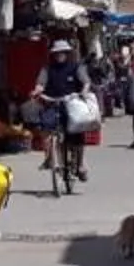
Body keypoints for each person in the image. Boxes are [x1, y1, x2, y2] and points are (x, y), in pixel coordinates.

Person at [33, 39, 92, 181]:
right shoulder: (47, 69)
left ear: (67, 53)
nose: (59, 55)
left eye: (62, 52)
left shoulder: (76, 67)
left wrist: (84, 91)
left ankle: (80, 164)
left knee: (77, 134)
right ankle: (49, 157)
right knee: (46, 127)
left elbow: (86, 82)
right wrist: (37, 91)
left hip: (72, 104)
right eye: (57, 53)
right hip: (52, 103)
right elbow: (40, 84)